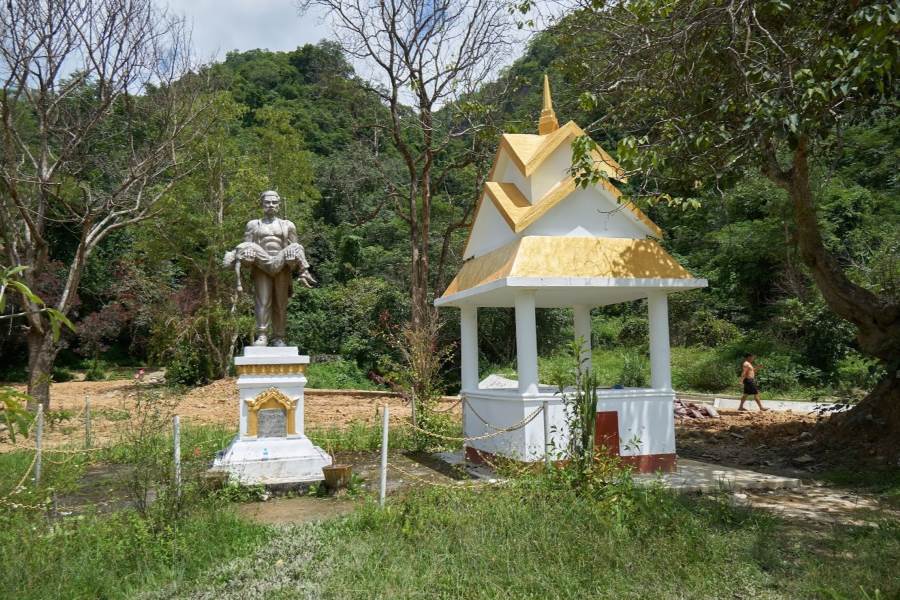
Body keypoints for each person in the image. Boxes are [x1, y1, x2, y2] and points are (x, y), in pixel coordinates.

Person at [224, 190, 315, 347]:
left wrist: (293, 261)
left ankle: (279, 336)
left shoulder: (288, 225)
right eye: (267, 202)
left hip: (281, 267)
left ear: (279, 205)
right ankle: (262, 335)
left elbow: (294, 249)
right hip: (261, 267)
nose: (271, 205)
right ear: (262, 204)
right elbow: (246, 252)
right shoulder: (253, 225)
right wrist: (248, 258)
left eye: (274, 202)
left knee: (280, 303)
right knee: (263, 301)